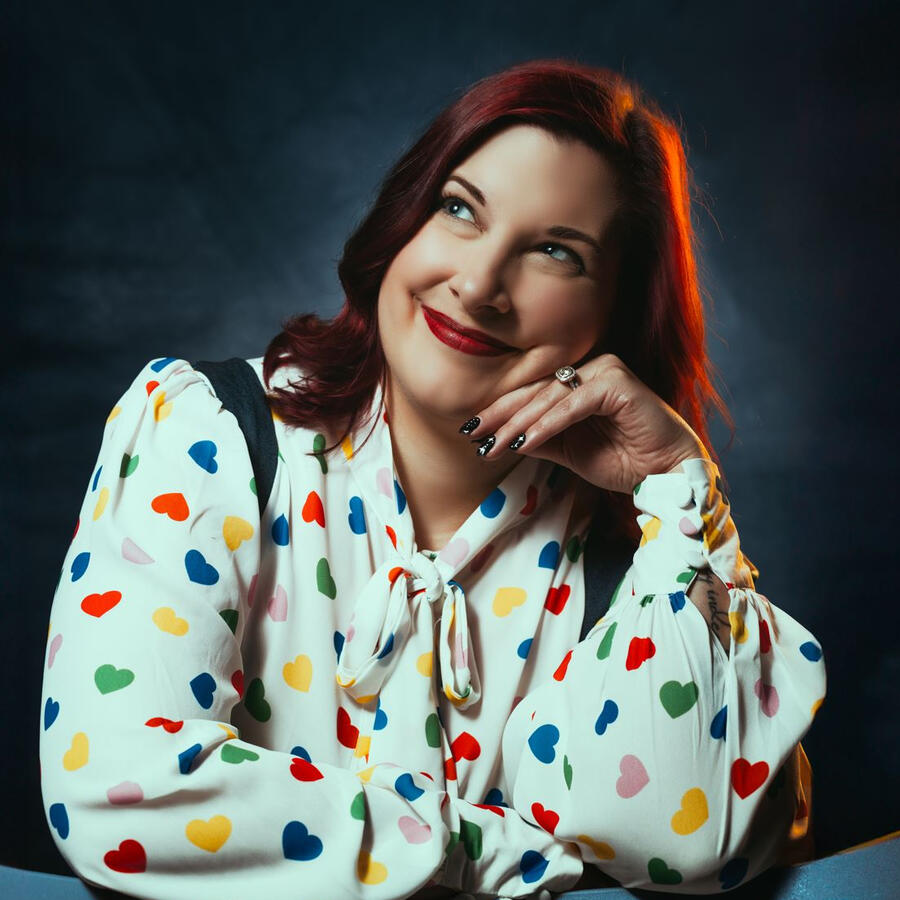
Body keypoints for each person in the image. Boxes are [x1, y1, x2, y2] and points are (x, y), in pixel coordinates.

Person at [38, 59, 826, 899]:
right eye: (460, 210)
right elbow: (118, 792)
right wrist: (481, 854)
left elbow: (686, 841)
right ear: (404, 220)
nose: (480, 284)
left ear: (613, 321)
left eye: (556, 252)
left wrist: (677, 490)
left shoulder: (635, 577)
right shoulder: (210, 430)